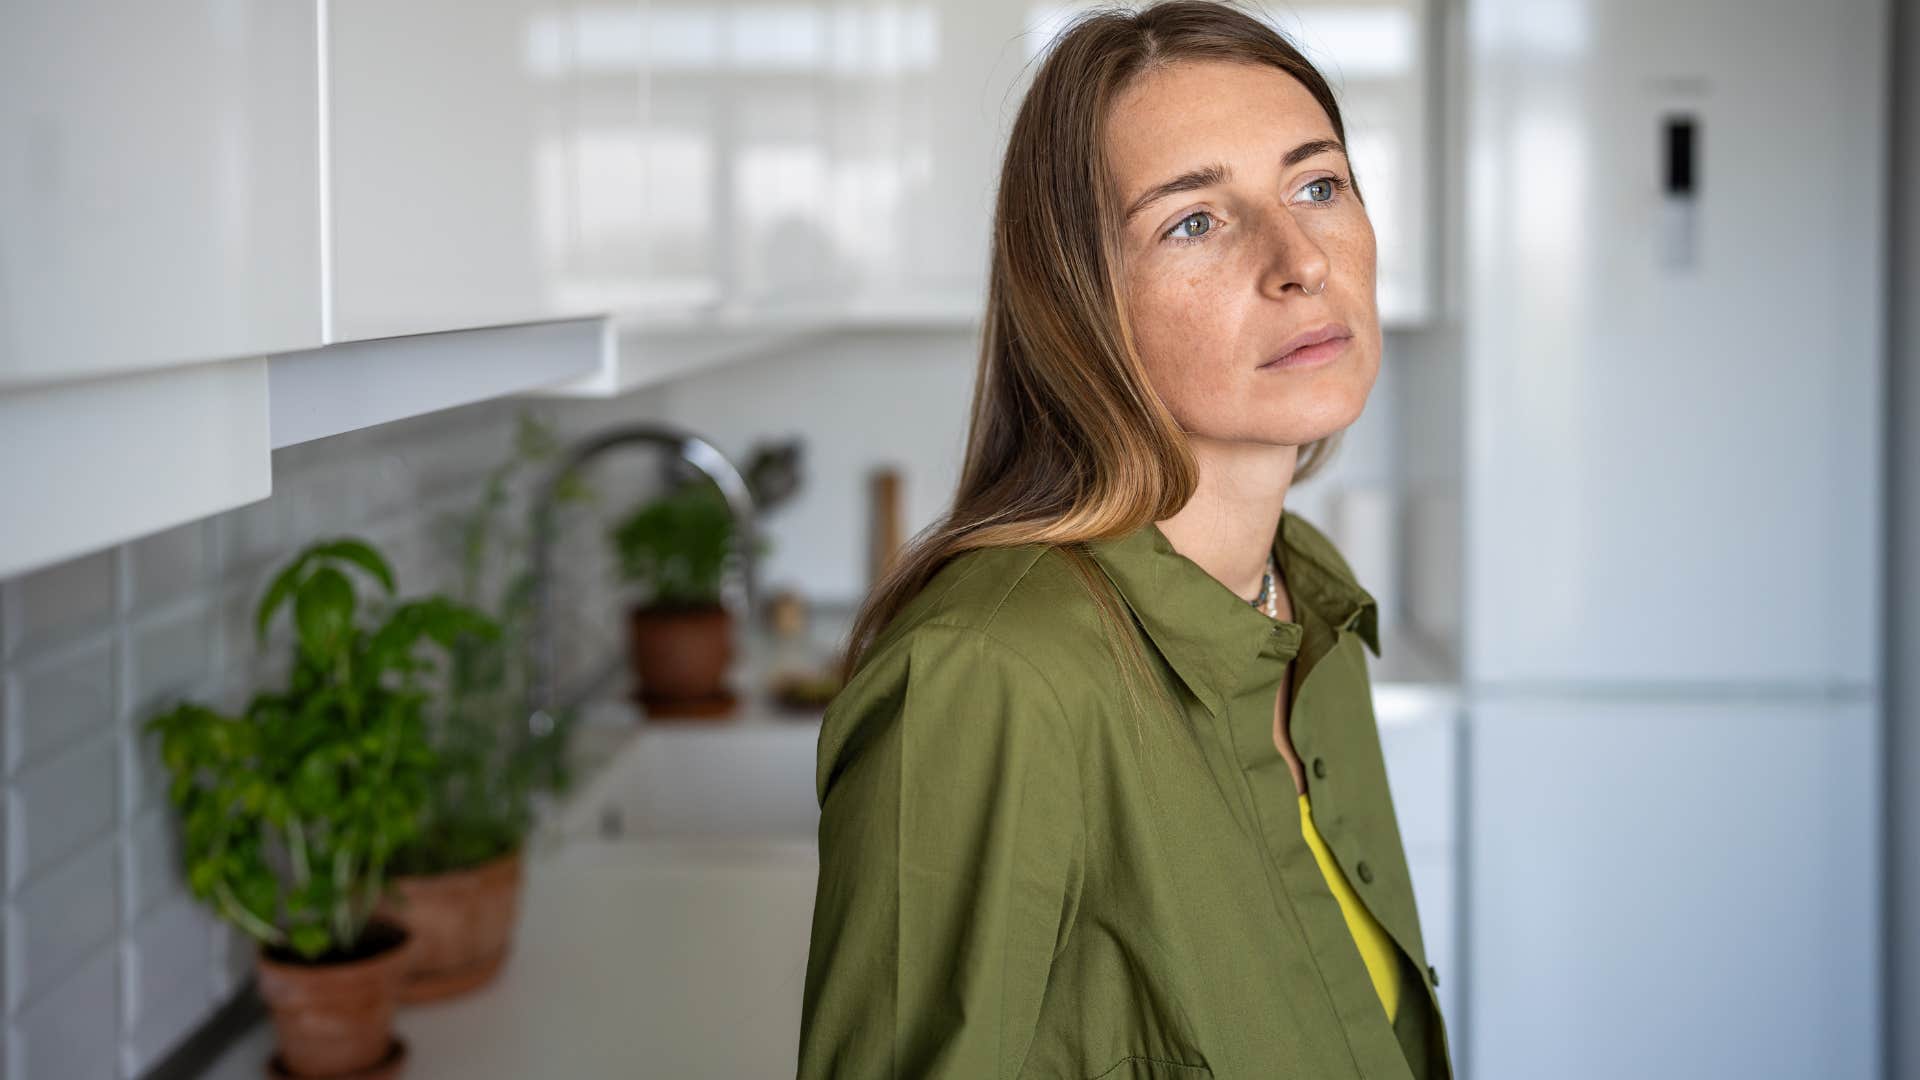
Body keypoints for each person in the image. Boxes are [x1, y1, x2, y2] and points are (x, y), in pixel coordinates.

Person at [797, 2, 1452, 1076]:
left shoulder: (1307, 597)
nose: (1299, 260)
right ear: (1077, 306)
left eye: (1318, 184)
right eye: (1194, 220)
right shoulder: (991, 676)